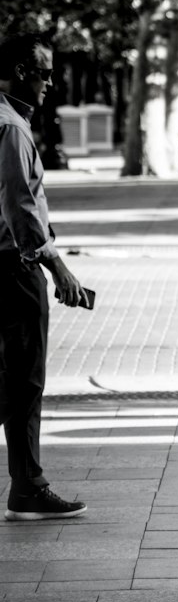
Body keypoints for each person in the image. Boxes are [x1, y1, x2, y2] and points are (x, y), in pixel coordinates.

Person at [0, 33, 88, 521]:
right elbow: (21, 209)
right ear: (18, 71)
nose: (51, 82)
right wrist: (58, 267)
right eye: (43, 73)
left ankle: (26, 484)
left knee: (13, 374)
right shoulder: (11, 128)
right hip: (14, 268)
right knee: (24, 378)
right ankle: (29, 485)